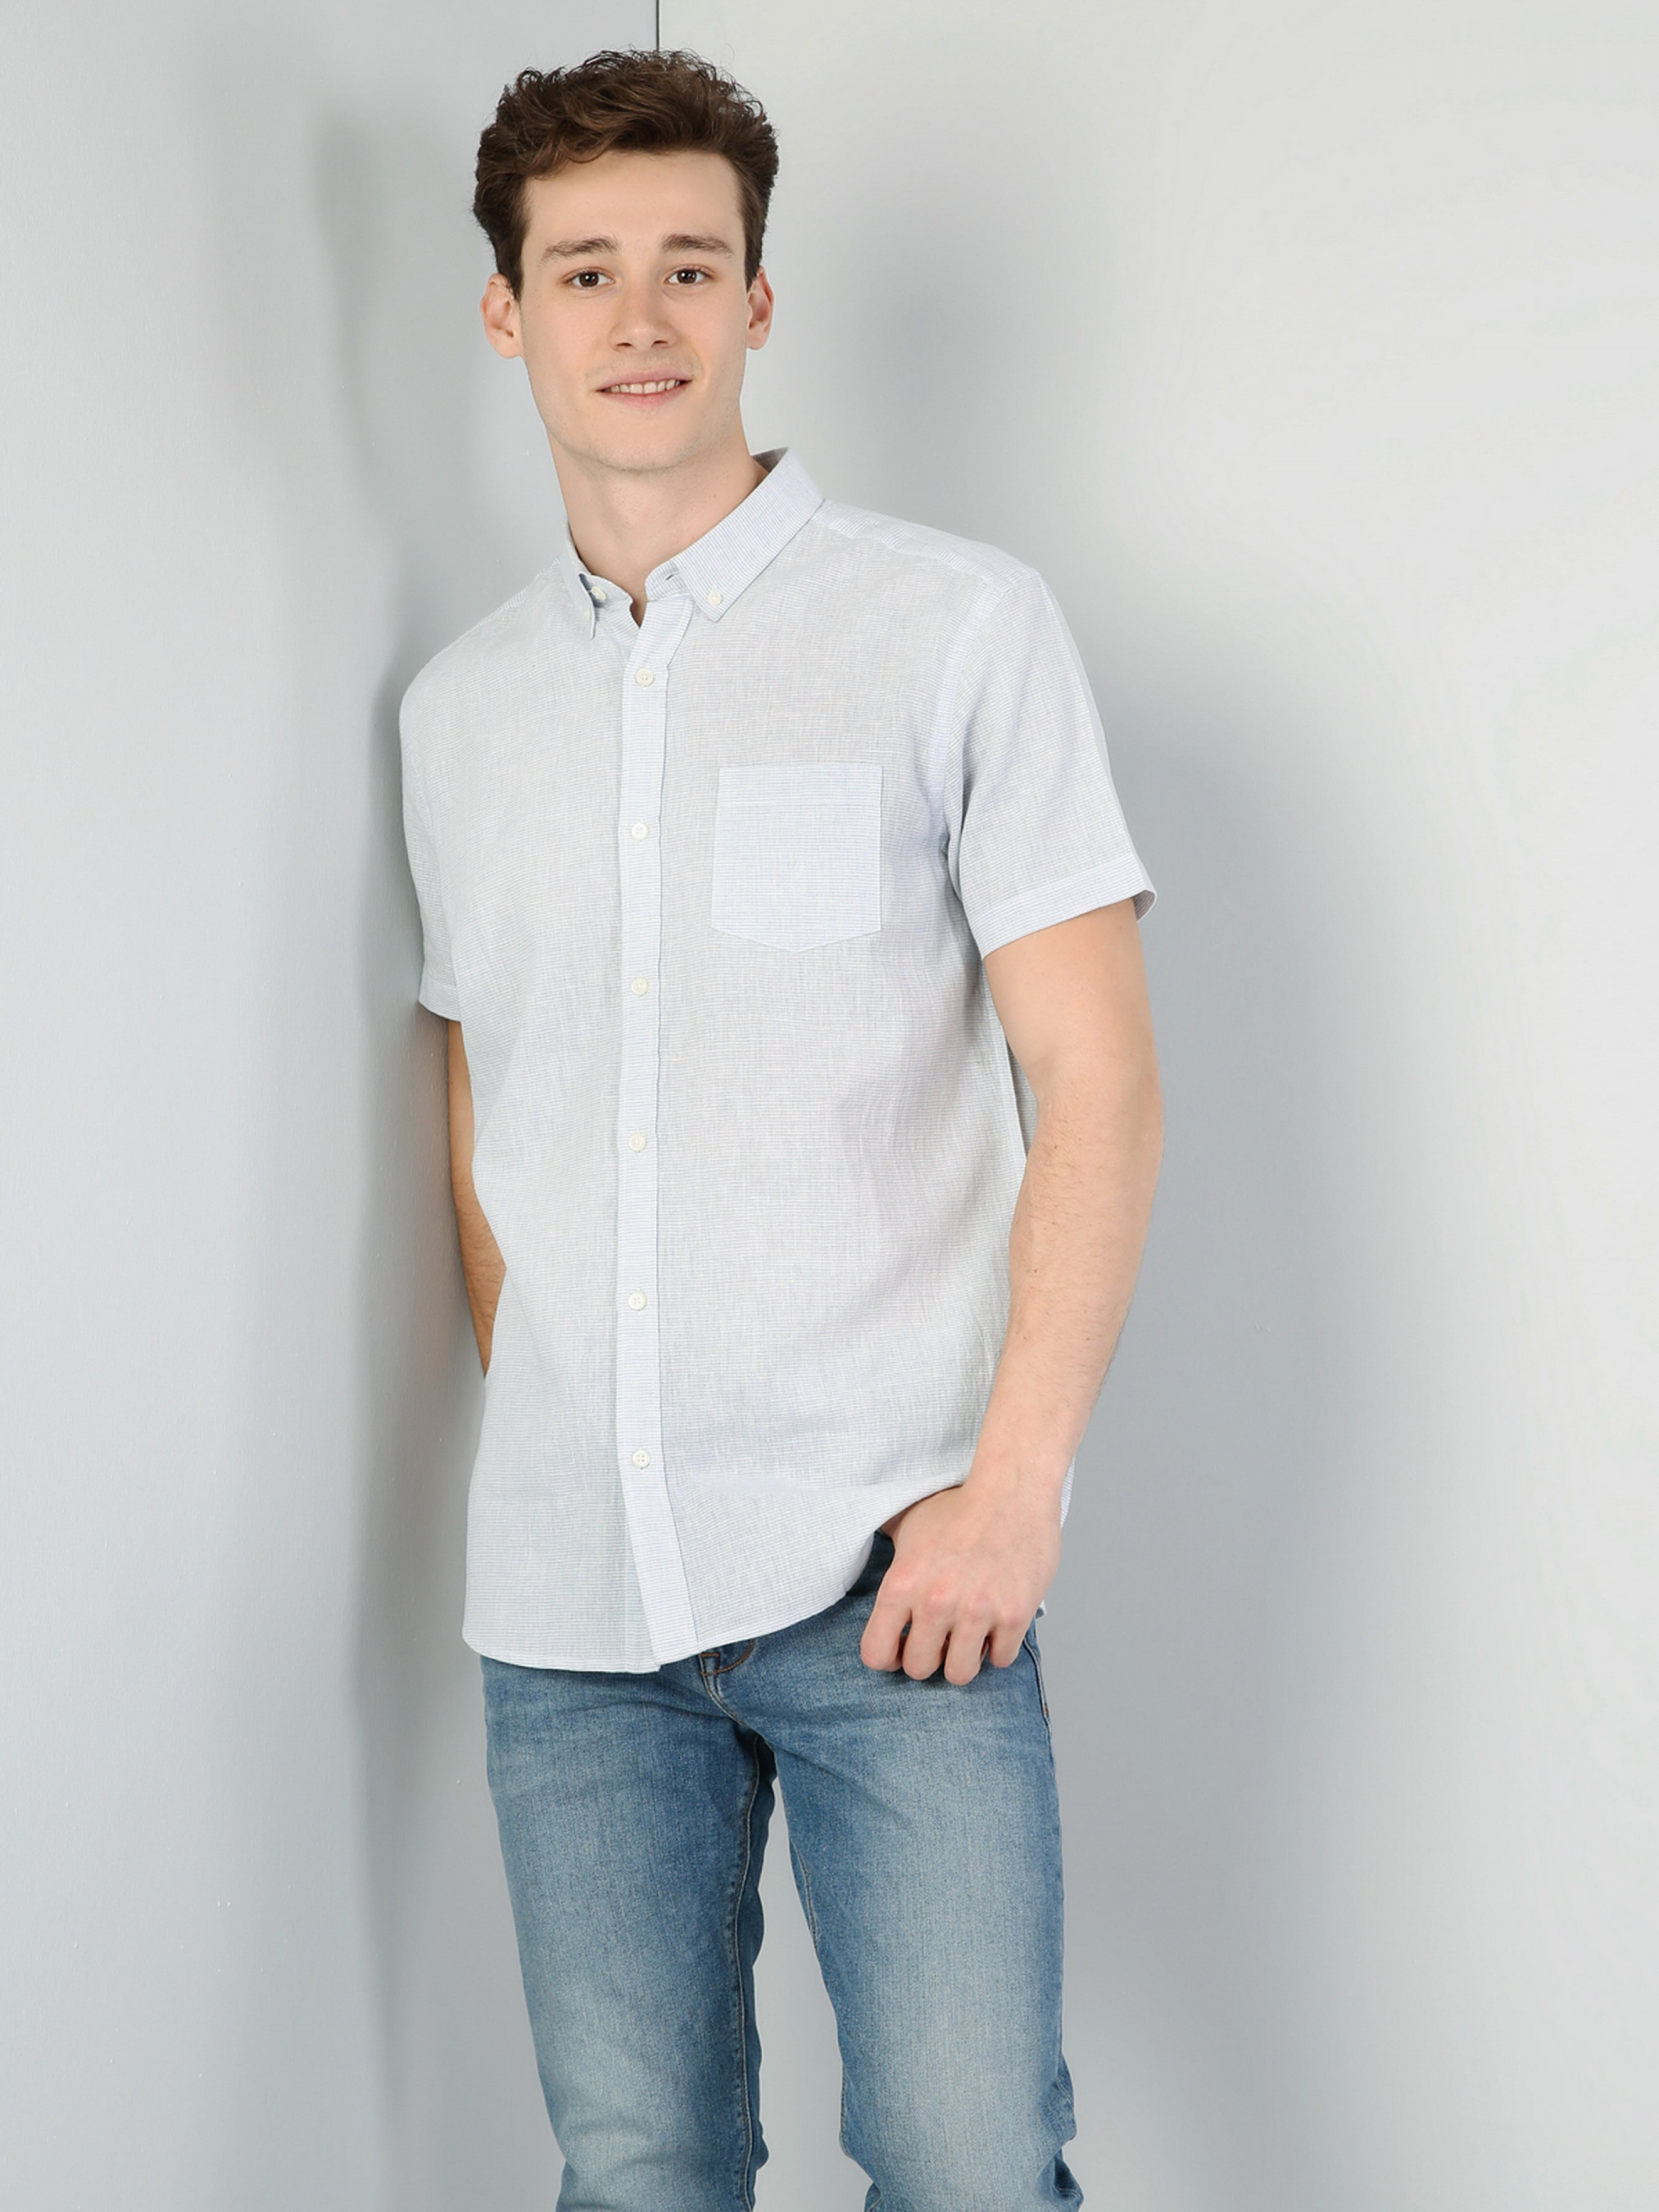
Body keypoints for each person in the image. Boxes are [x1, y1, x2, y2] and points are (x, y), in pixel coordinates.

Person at [397, 44, 1163, 2212]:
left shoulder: (954, 628)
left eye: (687, 264)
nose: (636, 317)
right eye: (582, 270)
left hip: (893, 1567)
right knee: (635, 2169)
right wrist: (562, 1410)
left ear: (756, 300)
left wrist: (1011, 1497)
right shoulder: (457, 714)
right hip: (568, 1607)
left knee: (962, 2160)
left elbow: (1098, 1079)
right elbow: (487, 1087)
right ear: (505, 311)